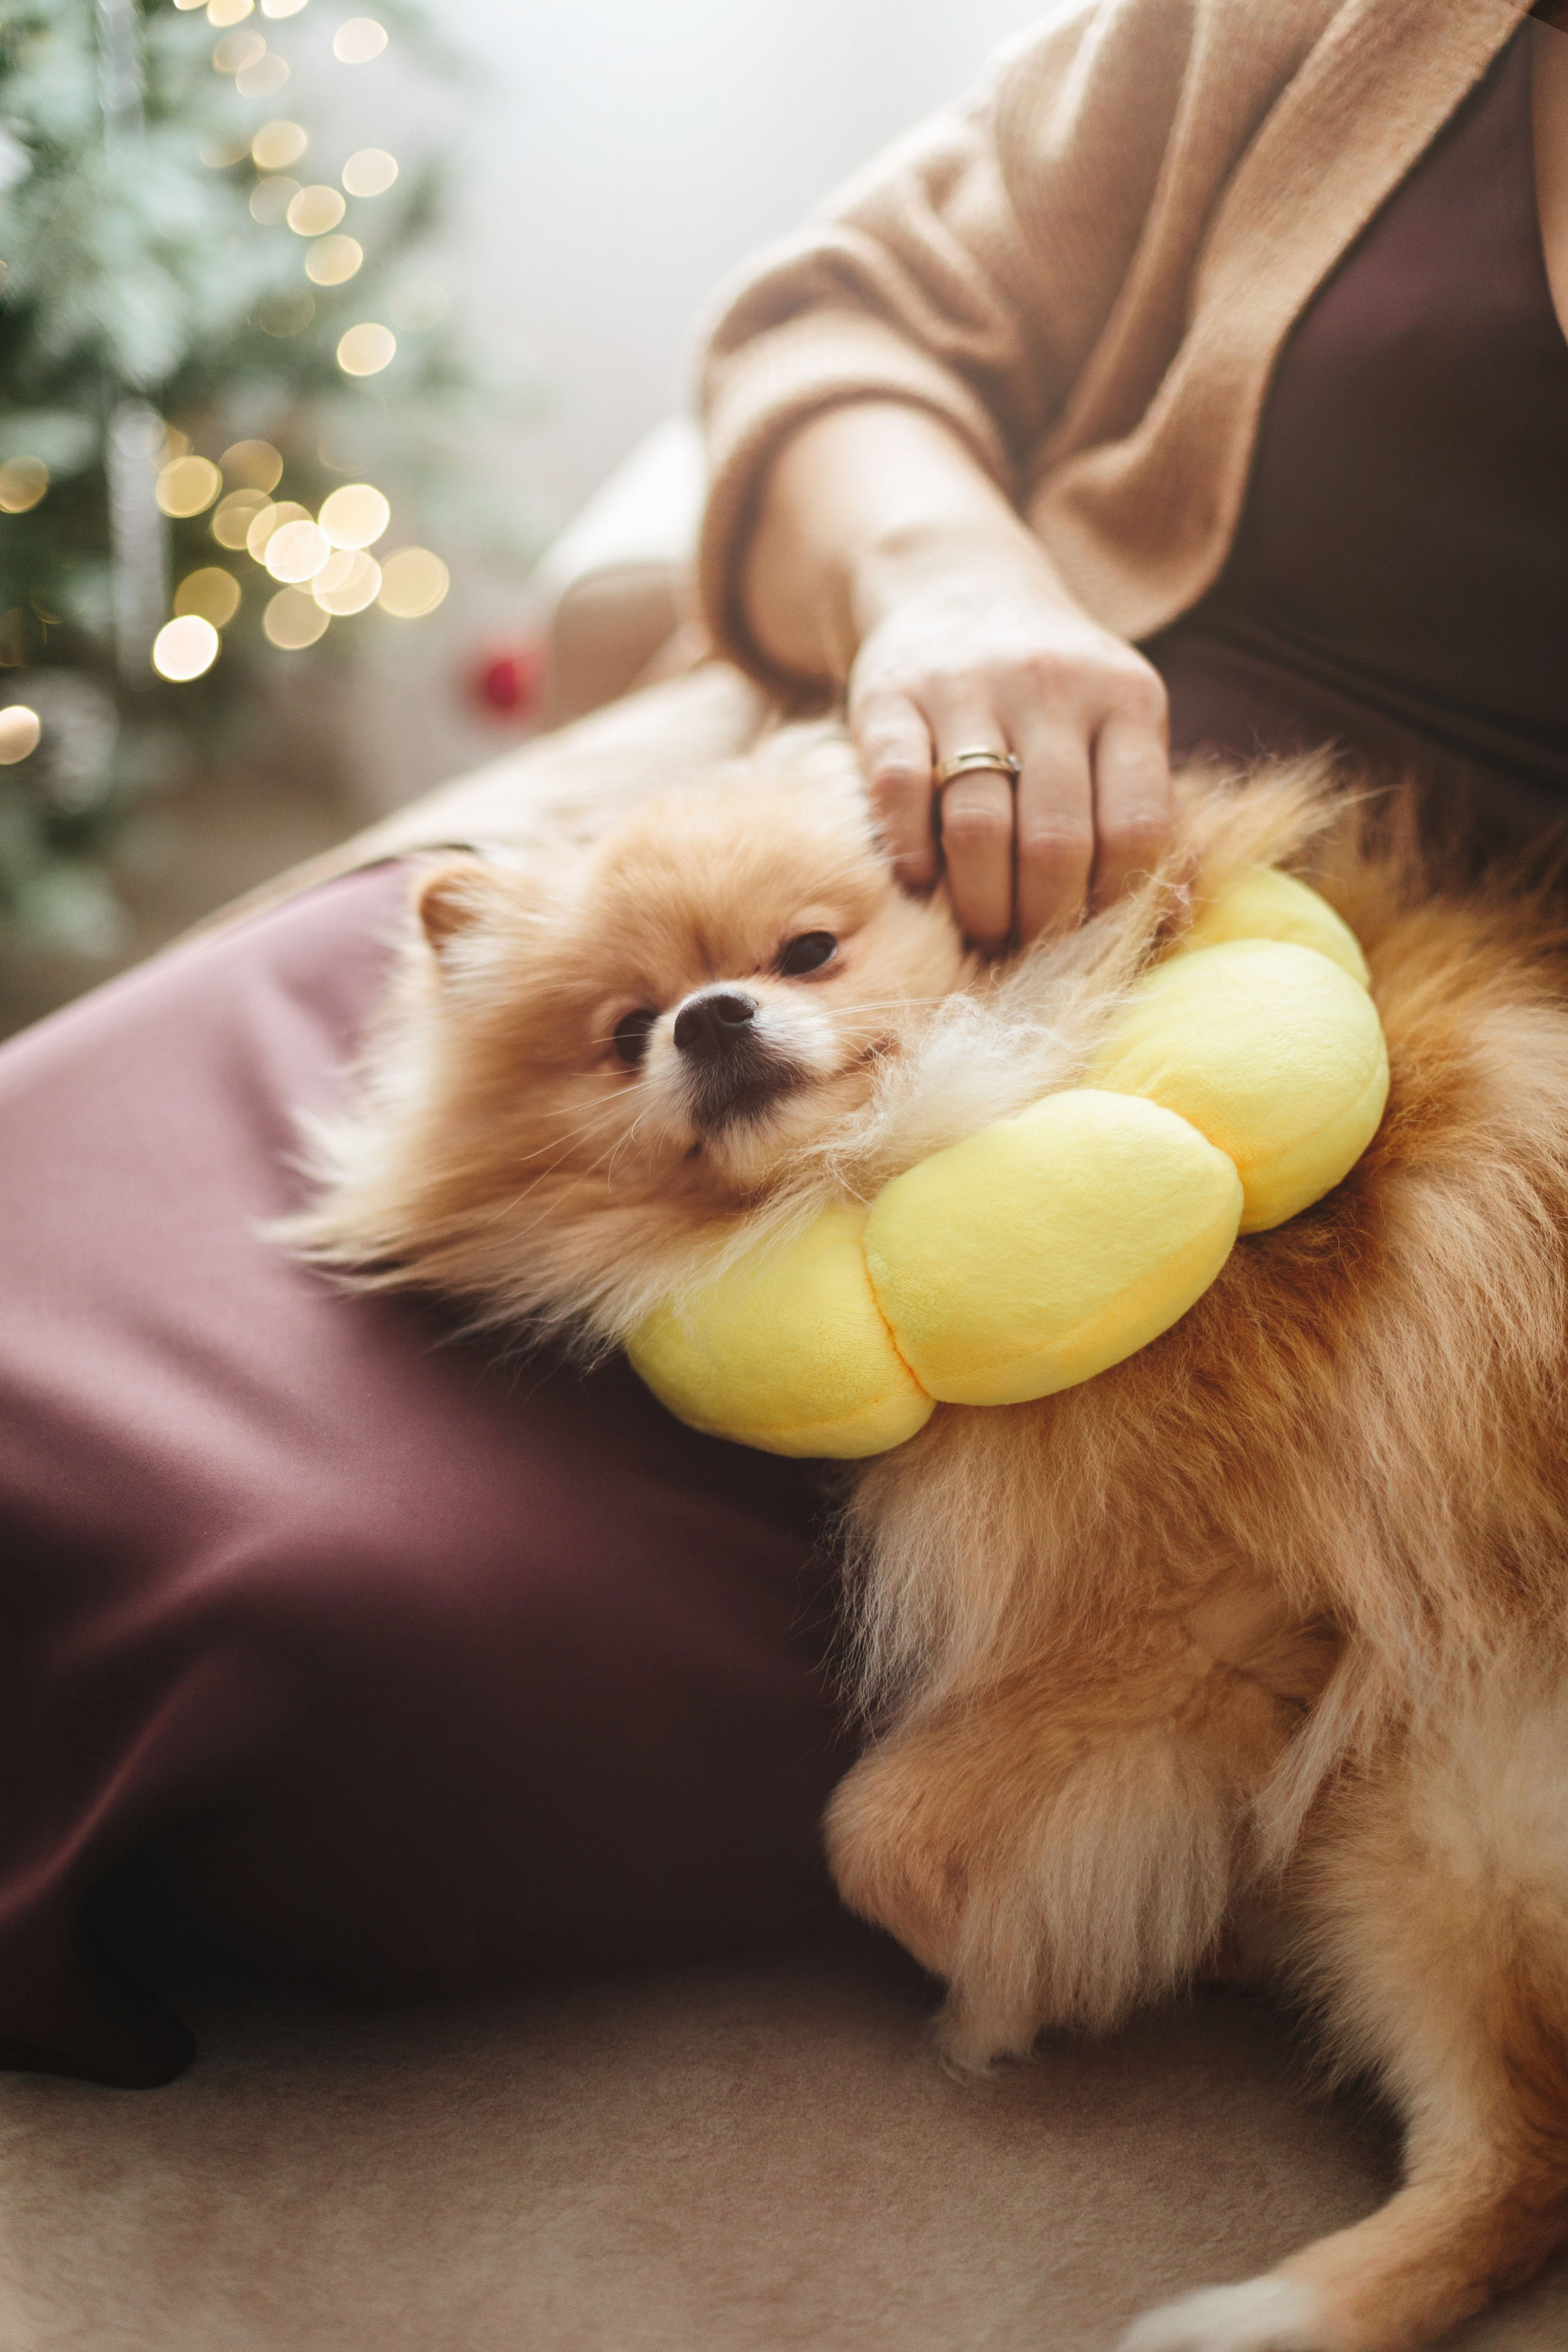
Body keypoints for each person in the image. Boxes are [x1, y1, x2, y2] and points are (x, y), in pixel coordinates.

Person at [0, 0, 1553, 2084]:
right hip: (881, 833)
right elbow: (850, 318)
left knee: (301, 1646)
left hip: (1365, 1083)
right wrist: (943, 583)